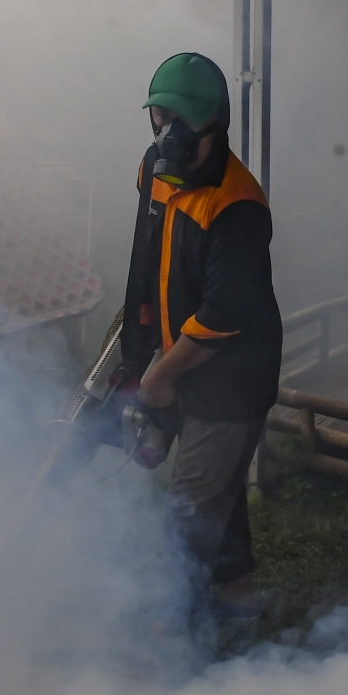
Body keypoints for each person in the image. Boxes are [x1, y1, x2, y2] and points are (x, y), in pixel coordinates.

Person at [121, 51, 283, 620]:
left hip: (232, 377)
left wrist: (162, 376)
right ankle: (237, 594)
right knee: (221, 479)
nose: (169, 134)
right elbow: (146, 259)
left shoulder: (239, 203)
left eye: (183, 122)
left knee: (190, 507)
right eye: (160, 118)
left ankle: (172, 638)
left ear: (217, 123)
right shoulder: (154, 170)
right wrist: (139, 348)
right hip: (181, 355)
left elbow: (223, 315)